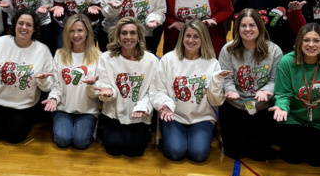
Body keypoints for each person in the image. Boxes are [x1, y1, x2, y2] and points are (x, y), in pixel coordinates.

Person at [272, 23, 320, 167]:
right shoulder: (287, 61)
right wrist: (281, 107)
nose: (311, 44)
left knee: (318, 161)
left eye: (316, 40)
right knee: (292, 158)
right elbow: (282, 93)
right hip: (294, 117)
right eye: (306, 40)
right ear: (299, 42)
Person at [153, 20, 227, 164]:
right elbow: (158, 89)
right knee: (175, 153)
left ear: (203, 39)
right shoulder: (169, 59)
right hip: (173, 116)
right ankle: (170, 137)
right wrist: (166, 104)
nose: (191, 40)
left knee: (198, 155)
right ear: (182, 37)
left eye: (196, 36)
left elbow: (216, 101)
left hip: (202, 117)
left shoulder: (212, 63)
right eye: (187, 36)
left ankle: (184, 137)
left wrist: (217, 81)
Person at [0, 9, 54, 144]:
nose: (24, 27)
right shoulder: (1, 42)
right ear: (14, 25)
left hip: (24, 105)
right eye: (21, 23)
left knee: (14, 137)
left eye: (28, 25)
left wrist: (43, 80)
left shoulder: (43, 50)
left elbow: (48, 87)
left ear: (34, 28)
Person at [218, 9, 282, 163]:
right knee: (235, 152)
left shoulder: (274, 50)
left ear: (259, 27)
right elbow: (226, 80)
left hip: (261, 107)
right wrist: (230, 91)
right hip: (235, 106)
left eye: (252, 25)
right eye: (243, 25)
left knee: (259, 154)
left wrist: (266, 90)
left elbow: (275, 80)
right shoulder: (228, 50)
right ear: (237, 28)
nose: (247, 29)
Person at [92, 19, 158, 158]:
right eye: (124, 33)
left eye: (132, 33)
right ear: (118, 36)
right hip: (114, 112)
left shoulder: (151, 61)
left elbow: (152, 91)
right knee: (113, 148)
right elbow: (103, 84)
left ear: (139, 36)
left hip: (139, 115)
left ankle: (143, 133)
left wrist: (142, 107)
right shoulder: (106, 58)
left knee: (134, 151)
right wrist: (108, 92)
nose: (128, 37)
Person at [44, 15, 101, 150]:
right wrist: (53, 98)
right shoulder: (59, 54)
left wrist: (93, 85)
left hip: (87, 110)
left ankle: (94, 127)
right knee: (62, 141)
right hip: (63, 108)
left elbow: (98, 93)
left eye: (80, 30)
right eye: (72, 31)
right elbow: (56, 84)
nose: (76, 35)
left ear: (87, 32)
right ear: (67, 33)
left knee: (80, 143)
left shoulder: (99, 56)